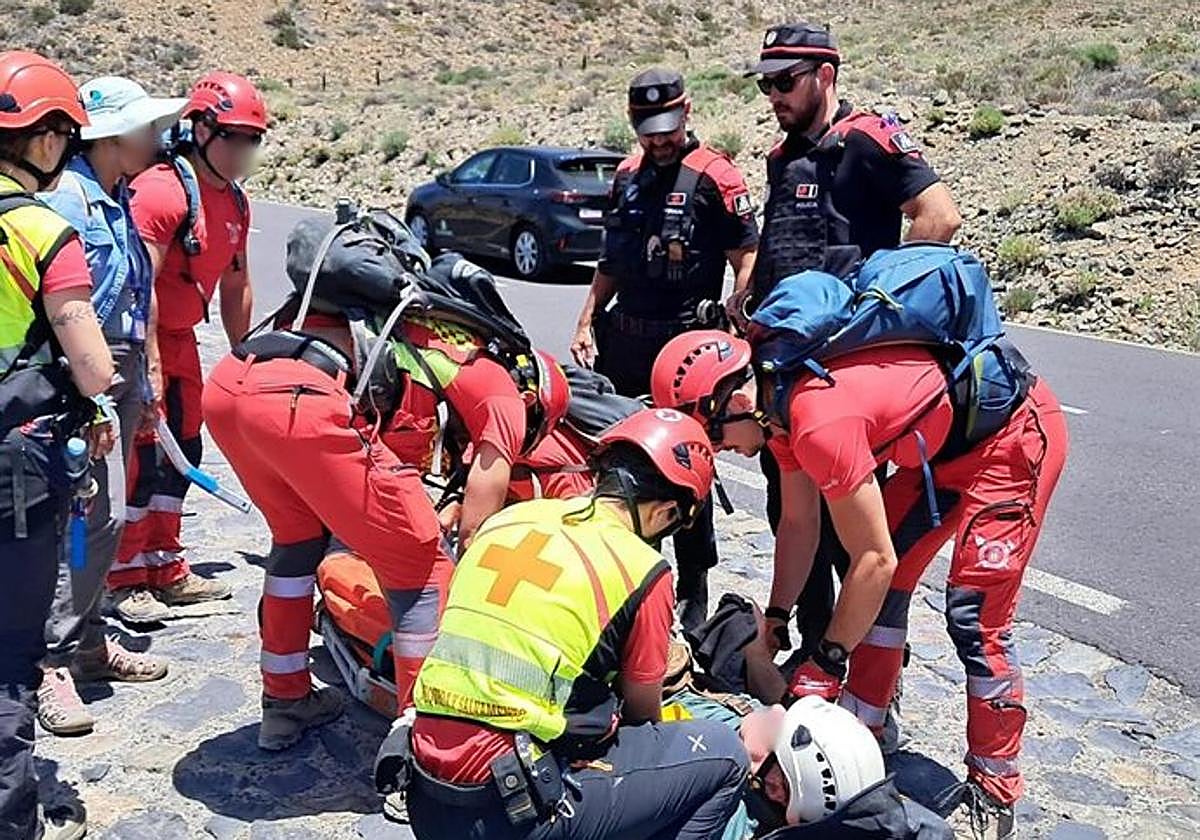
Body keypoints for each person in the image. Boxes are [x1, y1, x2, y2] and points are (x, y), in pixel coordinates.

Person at [651, 329, 1068, 839]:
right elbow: (799, 525)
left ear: (736, 400)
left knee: (974, 616)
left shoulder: (817, 421)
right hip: (938, 454)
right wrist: (777, 618)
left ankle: (993, 790)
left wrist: (827, 659)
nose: (722, 452)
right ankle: (866, 729)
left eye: (715, 437)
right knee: (876, 596)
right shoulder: (778, 414)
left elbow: (876, 560)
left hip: (1011, 439)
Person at [407, 407, 749, 840]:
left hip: (426, 790)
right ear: (665, 512)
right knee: (724, 756)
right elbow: (644, 716)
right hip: (513, 811)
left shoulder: (509, 519)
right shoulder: (642, 567)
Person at [736, 22, 963, 663]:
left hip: (846, 381)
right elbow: (785, 248)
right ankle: (807, 648)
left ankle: (861, 672)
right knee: (793, 517)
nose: (774, 96)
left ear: (825, 76)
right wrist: (748, 299)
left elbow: (938, 217)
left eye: (785, 82)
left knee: (853, 539)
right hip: (785, 371)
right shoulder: (783, 158)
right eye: (766, 84)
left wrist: (873, 307)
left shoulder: (865, 138)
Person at [569, 67, 759, 632]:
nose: (660, 138)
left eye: (669, 124)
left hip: (685, 349)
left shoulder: (714, 177)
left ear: (687, 113)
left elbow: (746, 254)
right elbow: (612, 261)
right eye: (648, 128)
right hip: (624, 341)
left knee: (685, 463)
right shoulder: (625, 176)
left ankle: (692, 591)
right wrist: (585, 322)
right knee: (615, 455)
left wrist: (739, 314)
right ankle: (622, 573)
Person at [37, 76, 185, 738]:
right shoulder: (67, 199)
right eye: (144, 127)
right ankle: (52, 662)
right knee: (82, 517)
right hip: (84, 373)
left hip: (119, 368)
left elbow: (135, 291)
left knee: (105, 517)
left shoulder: (117, 197)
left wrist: (146, 373)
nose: (156, 137)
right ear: (109, 136)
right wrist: (88, 386)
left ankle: (89, 641)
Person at [0, 49, 116, 840]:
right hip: (18, 468)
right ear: (43, 140)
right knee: (10, 645)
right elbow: (92, 362)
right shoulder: (44, 231)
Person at [107, 71, 268, 623]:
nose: (243, 151)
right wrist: (147, 362)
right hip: (139, 342)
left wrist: (246, 355)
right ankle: (125, 574)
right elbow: (138, 283)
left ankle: (164, 561)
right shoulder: (161, 192)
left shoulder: (236, 205)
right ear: (199, 130)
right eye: (234, 138)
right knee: (140, 455)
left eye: (253, 140)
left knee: (186, 448)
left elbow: (237, 282)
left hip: (182, 343)